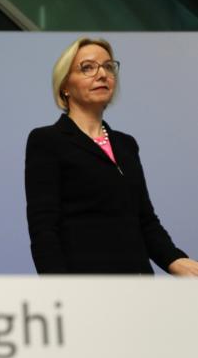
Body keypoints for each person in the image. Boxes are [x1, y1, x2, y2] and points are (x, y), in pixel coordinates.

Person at [25, 37, 198, 275]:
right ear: (65, 85)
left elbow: (145, 221)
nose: (102, 74)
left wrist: (178, 261)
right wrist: (60, 291)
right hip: (86, 289)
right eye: (88, 67)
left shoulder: (126, 145)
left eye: (108, 67)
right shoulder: (47, 141)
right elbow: (44, 229)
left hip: (138, 288)